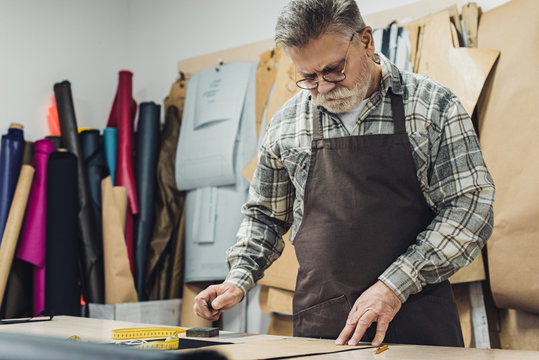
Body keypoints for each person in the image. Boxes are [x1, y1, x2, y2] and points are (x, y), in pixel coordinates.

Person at [194, 0, 495, 347]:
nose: (322, 88)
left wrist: (393, 286)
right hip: (324, 328)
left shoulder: (430, 106)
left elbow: (470, 207)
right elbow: (265, 216)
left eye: (334, 70)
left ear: (366, 41)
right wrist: (238, 277)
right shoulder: (287, 124)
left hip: (417, 319)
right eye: (307, 77)